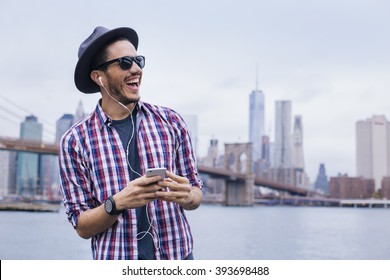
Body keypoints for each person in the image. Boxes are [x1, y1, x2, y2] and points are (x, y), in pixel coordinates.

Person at [58, 26, 203, 260]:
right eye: (125, 62)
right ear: (99, 77)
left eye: (138, 61)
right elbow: (81, 225)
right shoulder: (75, 141)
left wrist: (188, 197)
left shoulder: (172, 122)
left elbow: (196, 192)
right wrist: (116, 204)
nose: (136, 69)